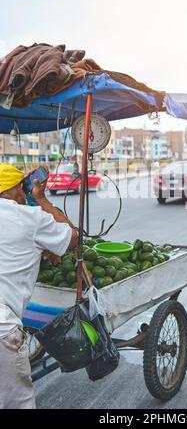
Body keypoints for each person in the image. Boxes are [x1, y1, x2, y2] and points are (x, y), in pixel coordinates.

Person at [0, 163, 78, 409]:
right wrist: (41, 198)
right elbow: (74, 238)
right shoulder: (31, 217)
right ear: (15, 190)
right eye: (22, 188)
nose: (24, 194)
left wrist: (39, 246)